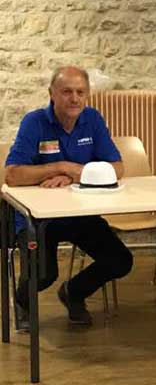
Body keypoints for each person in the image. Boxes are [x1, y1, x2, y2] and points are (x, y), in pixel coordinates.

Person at [5, 66, 133, 330]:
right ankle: (22, 301)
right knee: (43, 275)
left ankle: (73, 292)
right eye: (66, 92)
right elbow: (13, 175)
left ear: (87, 95)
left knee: (120, 260)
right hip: (37, 219)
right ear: (52, 94)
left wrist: (74, 176)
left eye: (80, 92)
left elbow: (117, 168)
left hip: (78, 213)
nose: (74, 98)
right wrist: (60, 167)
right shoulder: (34, 122)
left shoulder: (92, 119)